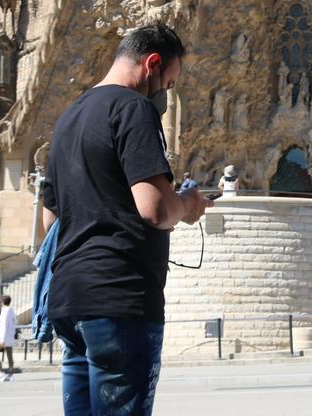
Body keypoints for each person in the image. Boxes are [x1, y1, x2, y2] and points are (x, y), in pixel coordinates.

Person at [40, 24, 210, 415]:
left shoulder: (69, 118)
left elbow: (50, 221)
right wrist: (188, 205)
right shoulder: (133, 108)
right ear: (152, 64)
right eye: (168, 83)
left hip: (70, 299)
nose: (165, 93)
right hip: (120, 298)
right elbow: (155, 209)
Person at [0, 294, 16, 382]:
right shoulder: (11, 311)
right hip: (9, 336)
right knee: (9, 355)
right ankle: (10, 375)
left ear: (2, 302)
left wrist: (2, 339)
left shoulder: (5, 311)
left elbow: (4, 326)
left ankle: (0, 372)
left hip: (3, 336)